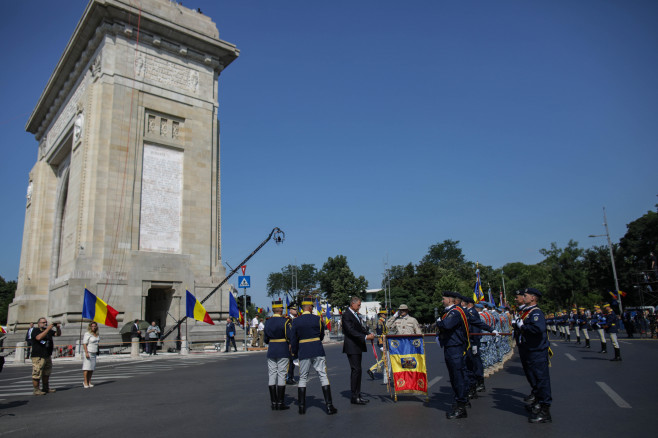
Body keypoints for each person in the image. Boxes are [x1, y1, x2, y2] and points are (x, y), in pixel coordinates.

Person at [290, 297, 337, 415]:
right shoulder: (317, 319)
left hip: (304, 351)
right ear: (310, 307)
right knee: (323, 375)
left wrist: (294, 353)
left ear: (302, 308)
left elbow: (293, 339)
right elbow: (321, 335)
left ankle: (301, 407)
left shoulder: (296, 321)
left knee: (303, 377)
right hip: (317, 349)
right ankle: (329, 406)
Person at [514, 288, 552, 423]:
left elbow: (537, 329)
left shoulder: (536, 313)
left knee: (541, 380)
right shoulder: (528, 312)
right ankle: (539, 403)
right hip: (530, 350)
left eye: (525, 295)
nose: (523, 297)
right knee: (535, 379)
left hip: (537, 351)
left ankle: (545, 410)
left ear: (533, 298)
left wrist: (522, 326)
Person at [436, 291, 470, 419]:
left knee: (457, 377)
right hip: (451, 347)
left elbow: (446, 325)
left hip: (455, 348)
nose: (442, 301)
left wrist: (439, 322)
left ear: (450, 300)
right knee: (455, 376)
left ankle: (461, 405)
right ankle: (460, 401)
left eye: (443, 298)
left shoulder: (455, 312)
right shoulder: (451, 312)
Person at [341, 296, 375, 405]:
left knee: (358, 370)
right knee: (356, 370)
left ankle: (357, 394)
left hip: (357, 346)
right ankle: (355, 396)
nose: (359, 307)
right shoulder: (346, 315)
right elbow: (350, 331)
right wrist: (365, 338)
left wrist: (368, 334)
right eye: (358, 305)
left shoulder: (355, 315)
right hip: (352, 346)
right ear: (352, 304)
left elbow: (360, 328)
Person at [463, 296, 496, 396]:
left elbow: (476, 328)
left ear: (468, 303)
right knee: (472, 363)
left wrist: (474, 343)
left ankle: (476, 385)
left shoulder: (472, 312)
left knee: (474, 364)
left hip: (474, 342)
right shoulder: (471, 312)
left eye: (463, 302)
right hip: (473, 341)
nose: (461, 304)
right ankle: (475, 385)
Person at [264, 299, 292, 410]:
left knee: (271, 375)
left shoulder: (268, 322)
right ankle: (280, 402)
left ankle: (273, 403)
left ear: (272, 310)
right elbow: (289, 336)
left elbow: (266, 339)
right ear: (280, 310)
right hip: (282, 349)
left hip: (271, 350)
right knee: (281, 375)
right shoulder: (285, 321)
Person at [30, 317, 61, 395]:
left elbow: (58, 334)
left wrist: (58, 328)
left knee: (46, 372)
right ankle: (36, 390)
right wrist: (48, 329)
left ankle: (45, 388)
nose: (45, 324)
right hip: (38, 355)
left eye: (46, 322)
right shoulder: (35, 330)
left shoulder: (49, 331)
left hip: (47, 354)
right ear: (39, 323)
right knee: (37, 372)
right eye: (43, 322)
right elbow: (38, 337)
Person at [367, 309, 388, 381]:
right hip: (382, 342)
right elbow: (379, 334)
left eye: (386, 314)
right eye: (385, 314)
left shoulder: (383, 322)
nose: (386, 315)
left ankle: (373, 370)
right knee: (384, 359)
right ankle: (372, 369)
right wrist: (381, 344)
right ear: (381, 315)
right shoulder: (380, 322)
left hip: (384, 341)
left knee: (384, 359)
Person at [82, 322, 100, 388]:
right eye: (92, 326)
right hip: (88, 352)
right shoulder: (87, 334)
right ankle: (85, 382)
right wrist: (86, 352)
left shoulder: (97, 334)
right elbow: (84, 343)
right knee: (86, 368)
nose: (93, 327)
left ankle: (89, 381)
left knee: (91, 368)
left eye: (95, 326)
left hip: (94, 352)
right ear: (90, 327)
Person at [286, 306, 298, 384]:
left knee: (293, 360)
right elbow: (288, 332)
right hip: (289, 343)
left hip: (295, 342)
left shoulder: (296, 319)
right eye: (294, 309)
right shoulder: (287, 320)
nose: (296, 310)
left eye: (296, 309)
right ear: (290, 310)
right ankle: (289, 378)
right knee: (289, 361)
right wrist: (290, 342)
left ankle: (291, 376)